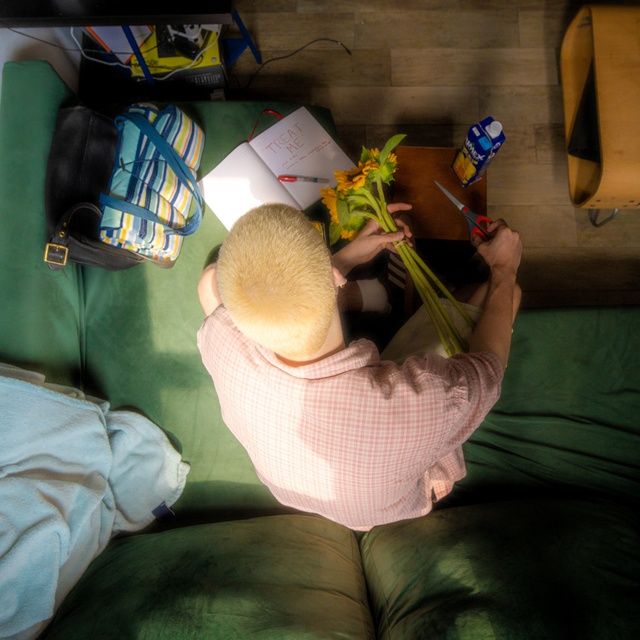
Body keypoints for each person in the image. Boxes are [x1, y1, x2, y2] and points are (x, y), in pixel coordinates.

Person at [197, 202, 522, 531]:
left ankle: (375, 297)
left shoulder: (222, 342)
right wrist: (505, 267)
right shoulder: (423, 400)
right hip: (395, 501)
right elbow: (489, 370)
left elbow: (209, 281)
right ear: (334, 279)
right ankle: (399, 295)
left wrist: (342, 260)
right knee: (505, 295)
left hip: (301, 492)